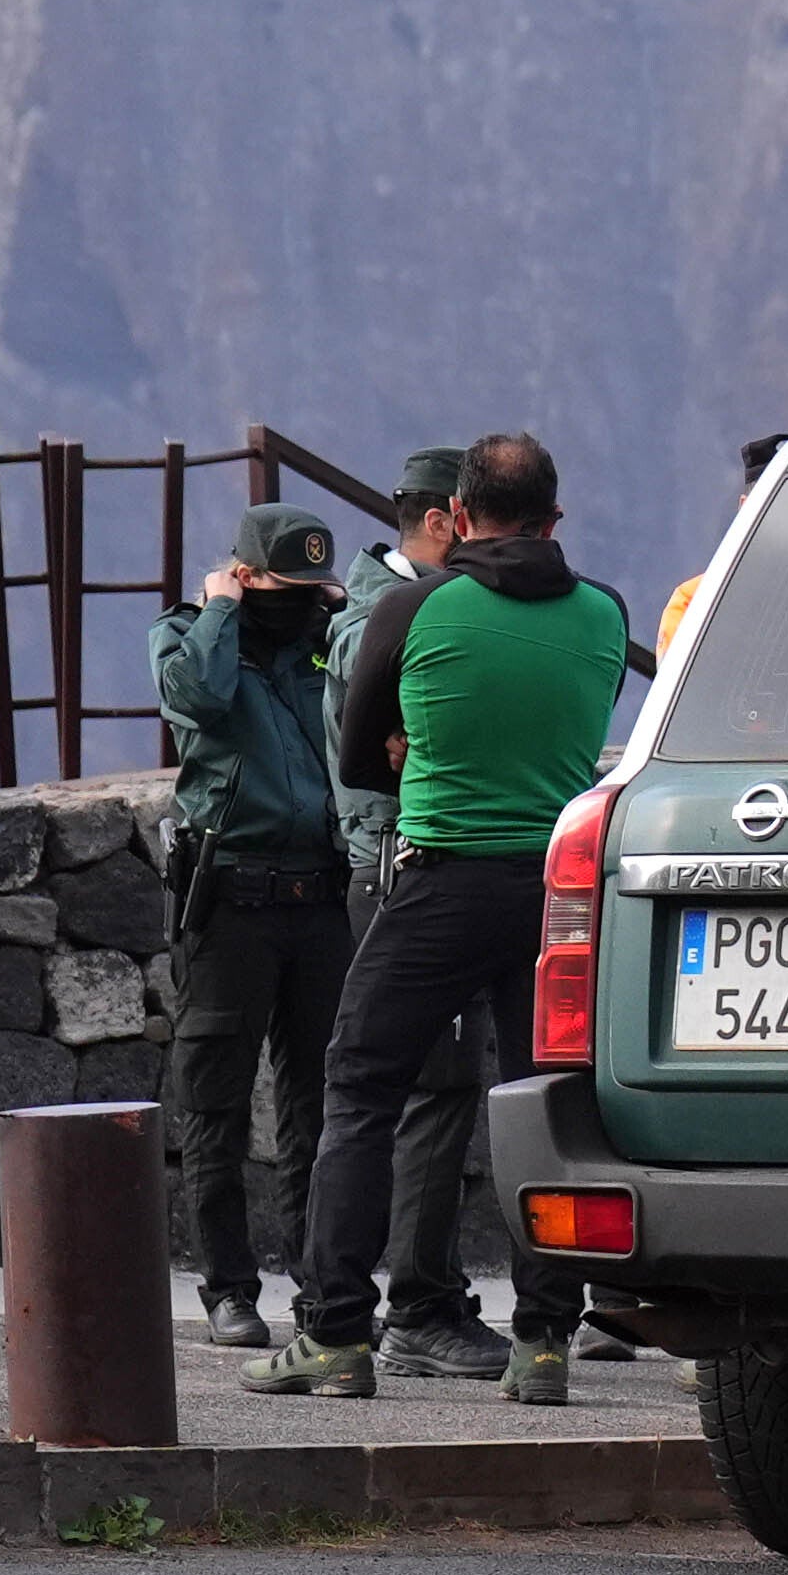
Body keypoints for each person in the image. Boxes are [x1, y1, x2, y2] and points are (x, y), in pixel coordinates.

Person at [256, 431, 633, 1405]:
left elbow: (356, 758)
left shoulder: (415, 607)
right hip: (558, 894)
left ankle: (337, 1334)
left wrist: (414, 744)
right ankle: (544, 1341)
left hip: (438, 883)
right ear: (555, 521)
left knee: (362, 1089)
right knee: (548, 1106)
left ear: (457, 518)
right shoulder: (603, 615)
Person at [147, 504, 352, 1351]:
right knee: (216, 1106)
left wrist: (339, 616)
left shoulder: (324, 639)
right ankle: (228, 1289)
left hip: (319, 899)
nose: (297, 600)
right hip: (229, 902)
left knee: (319, 1105)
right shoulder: (190, 635)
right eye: (280, 586)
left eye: (310, 586)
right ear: (241, 573)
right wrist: (223, 611)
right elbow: (197, 696)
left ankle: (320, 1287)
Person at [323, 450, 509, 1379]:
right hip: (406, 868)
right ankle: (416, 1310)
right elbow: (392, 751)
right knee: (428, 1094)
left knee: (433, 1088)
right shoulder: (383, 621)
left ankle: (398, 1304)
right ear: (446, 520)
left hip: (431, 864)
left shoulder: (410, 612)